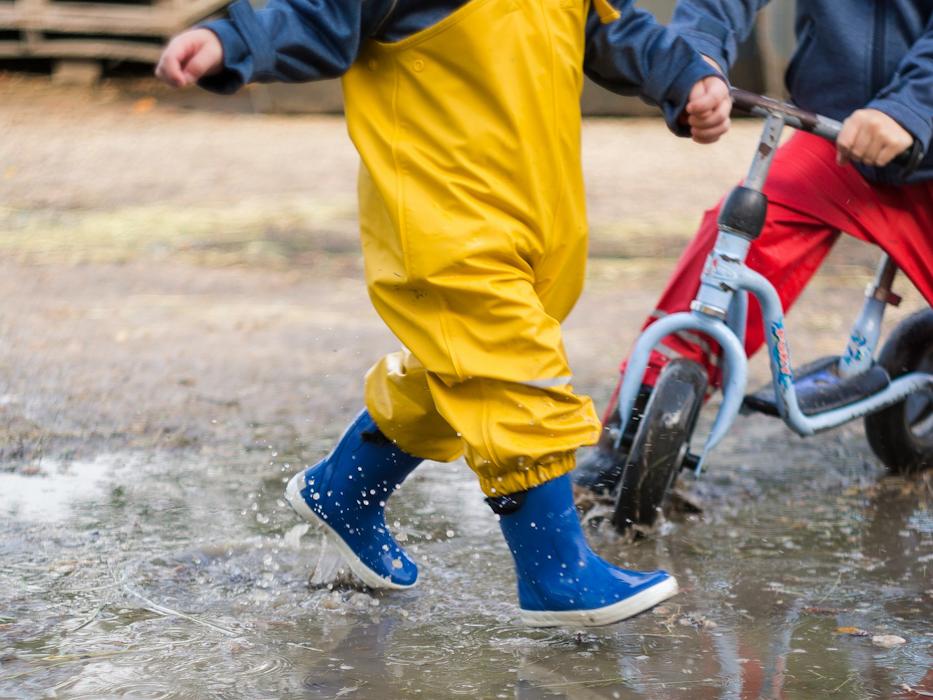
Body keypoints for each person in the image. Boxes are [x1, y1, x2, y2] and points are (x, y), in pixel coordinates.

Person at [155, 0, 731, 627]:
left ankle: (344, 491)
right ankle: (555, 574)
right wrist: (230, 35)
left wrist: (686, 76)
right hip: (442, 216)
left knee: (460, 368)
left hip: (536, 213)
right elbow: (311, 12)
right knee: (513, 372)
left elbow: (614, 30)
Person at [575, 0, 933, 491]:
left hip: (920, 133)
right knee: (735, 247)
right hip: (836, 136)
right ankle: (634, 428)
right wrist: (696, 62)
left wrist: (912, 107)